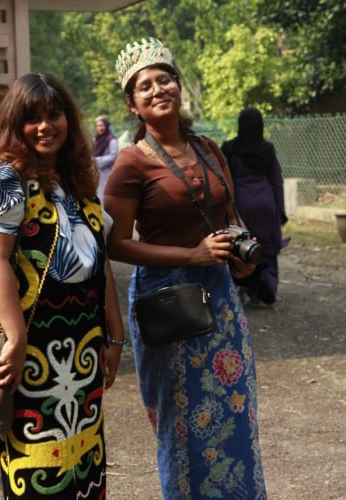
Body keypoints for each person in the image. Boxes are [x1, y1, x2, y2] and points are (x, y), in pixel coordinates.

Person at [104, 38, 267, 499]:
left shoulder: (209, 148)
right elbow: (115, 244)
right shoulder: (131, 162)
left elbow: (230, 215)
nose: (158, 89)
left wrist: (239, 257)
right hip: (167, 303)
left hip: (220, 296)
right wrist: (190, 255)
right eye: (145, 86)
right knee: (182, 421)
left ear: (177, 85)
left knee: (234, 409)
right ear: (132, 104)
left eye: (165, 79)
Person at [0, 72, 125, 499]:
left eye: (55, 114)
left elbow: (100, 263)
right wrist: (15, 339)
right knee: (37, 469)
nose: (45, 126)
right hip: (31, 353)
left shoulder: (76, 181)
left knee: (86, 462)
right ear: (15, 124)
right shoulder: (3, 179)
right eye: (32, 118)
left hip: (82, 350)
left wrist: (115, 335)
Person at [221, 107, 289, 306]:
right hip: (265, 204)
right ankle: (264, 289)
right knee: (265, 247)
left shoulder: (229, 149)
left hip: (240, 204)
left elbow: (223, 179)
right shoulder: (267, 150)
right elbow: (276, 181)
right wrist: (281, 211)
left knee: (240, 245)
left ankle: (241, 285)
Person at [93, 116, 118, 201]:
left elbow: (113, 156)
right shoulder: (95, 139)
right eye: (98, 126)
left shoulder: (111, 140)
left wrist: (96, 160)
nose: (100, 128)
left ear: (106, 126)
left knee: (106, 195)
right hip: (96, 171)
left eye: (102, 125)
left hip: (107, 171)